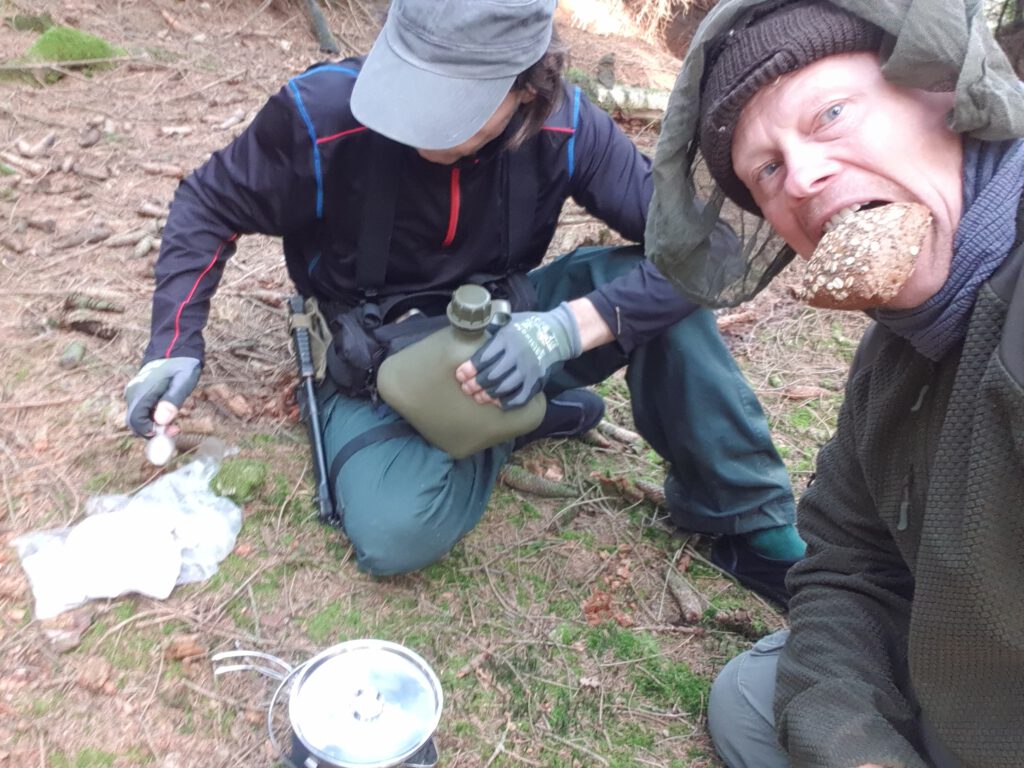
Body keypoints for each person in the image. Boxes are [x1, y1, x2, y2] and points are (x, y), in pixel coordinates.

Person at [123, 0, 804, 602]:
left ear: (526, 90)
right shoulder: (322, 116)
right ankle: (510, 422)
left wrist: (564, 332)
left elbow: (708, 253)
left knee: (669, 297)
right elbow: (207, 204)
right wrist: (174, 345)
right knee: (393, 535)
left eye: (448, 103)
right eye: (411, 86)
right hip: (369, 358)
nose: (418, 122)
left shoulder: (568, 128)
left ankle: (747, 521)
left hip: (515, 323)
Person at [645, 0, 1024, 765]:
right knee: (752, 698)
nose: (804, 178)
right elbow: (847, 561)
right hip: (954, 689)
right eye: (768, 169)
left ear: (945, 93)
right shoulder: (896, 351)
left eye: (831, 114)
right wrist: (849, 742)